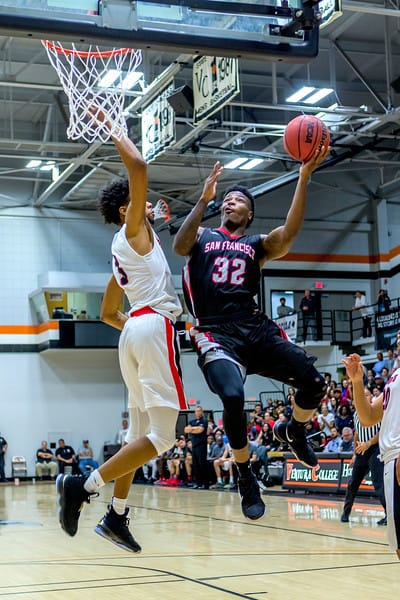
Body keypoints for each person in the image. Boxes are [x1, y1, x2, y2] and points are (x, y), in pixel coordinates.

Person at [173, 147, 329, 520]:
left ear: (250, 213)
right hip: (215, 332)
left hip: (254, 327)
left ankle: (293, 428)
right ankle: (245, 474)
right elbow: (178, 245)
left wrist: (303, 177)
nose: (229, 202)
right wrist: (203, 200)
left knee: (315, 383)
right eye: (226, 199)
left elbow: (289, 234)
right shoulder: (202, 236)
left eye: (237, 200)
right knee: (231, 394)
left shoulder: (255, 245)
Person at [56, 108, 186, 552]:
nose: (149, 203)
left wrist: (134, 325)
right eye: (141, 201)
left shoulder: (121, 250)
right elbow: (140, 166)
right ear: (125, 208)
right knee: (164, 437)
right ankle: (86, 485)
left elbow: (109, 310)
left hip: (133, 328)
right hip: (151, 326)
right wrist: (112, 125)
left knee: (137, 438)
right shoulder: (133, 229)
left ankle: (116, 515)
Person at [343, 350, 400, 559]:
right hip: (389, 459)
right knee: (398, 544)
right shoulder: (395, 376)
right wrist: (356, 381)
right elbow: (367, 417)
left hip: (390, 452)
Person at [340, 389, 386, 526]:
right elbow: (357, 435)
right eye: (360, 395)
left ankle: (389, 515)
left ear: (371, 396)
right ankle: (346, 512)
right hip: (361, 451)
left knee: (379, 484)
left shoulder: (377, 410)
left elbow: (382, 431)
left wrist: (369, 443)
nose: (363, 397)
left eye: (365, 394)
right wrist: (355, 453)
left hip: (374, 449)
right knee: (352, 483)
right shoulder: (355, 414)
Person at [184, 405, 208, 489]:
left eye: (199, 411)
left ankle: (205, 483)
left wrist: (192, 429)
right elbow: (186, 430)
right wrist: (195, 428)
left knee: (202, 464)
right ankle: (198, 483)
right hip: (194, 446)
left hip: (201, 445)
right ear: (195, 412)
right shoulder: (192, 421)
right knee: (196, 465)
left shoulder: (204, 421)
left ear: (202, 412)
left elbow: (200, 430)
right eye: (196, 411)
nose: (198, 412)